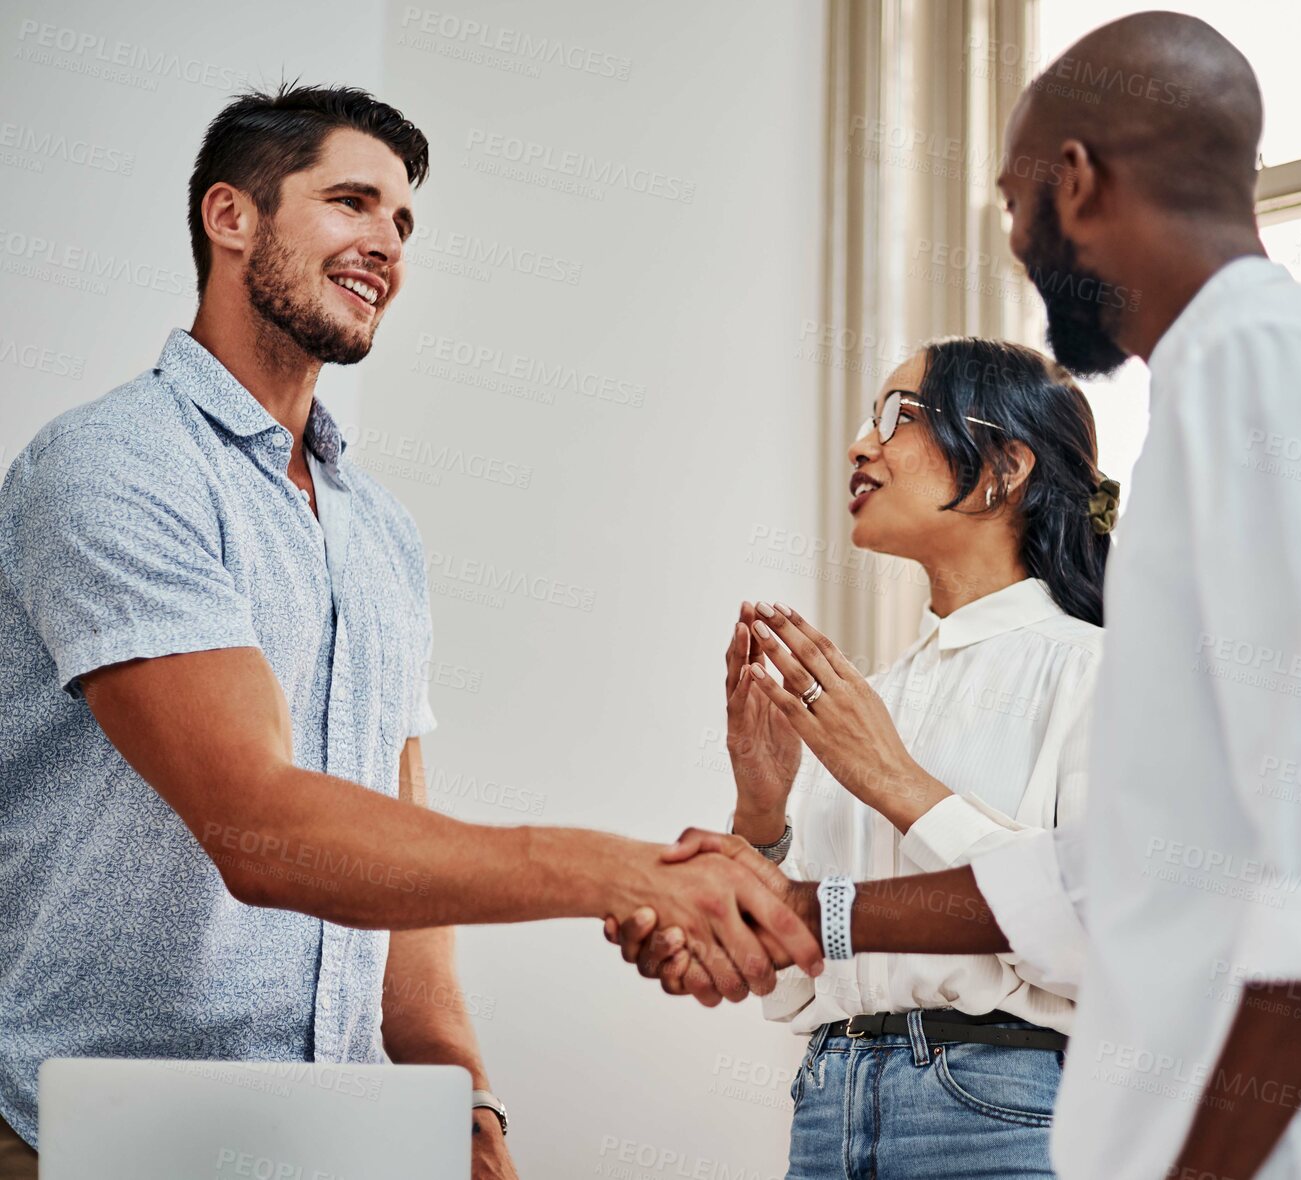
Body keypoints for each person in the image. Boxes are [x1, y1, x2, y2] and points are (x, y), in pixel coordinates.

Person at [616, 13, 1301, 1180]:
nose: (1018, 243)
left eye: (1014, 203)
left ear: (1073, 181)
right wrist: (781, 887)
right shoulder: (1232, 389)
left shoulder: (1255, 372)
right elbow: (1121, 878)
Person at [0, 83, 817, 1179]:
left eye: (402, 222)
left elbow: (396, 839)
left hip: (333, 1139)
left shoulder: (379, 531)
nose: (385, 242)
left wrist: (463, 1097)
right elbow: (257, 824)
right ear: (230, 217)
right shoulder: (113, 467)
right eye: (351, 202)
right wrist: (626, 871)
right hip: (87, 1134)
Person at [616, 338, 1115, 1177]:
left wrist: (898, 785)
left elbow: (1107, 939)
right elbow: (792, 989)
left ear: (1003, 464)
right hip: (825, 1111)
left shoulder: (1101, 672)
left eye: (897, 417)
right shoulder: (865, 700)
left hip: (1005, 1118)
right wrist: (762, 815)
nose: (859, 444)